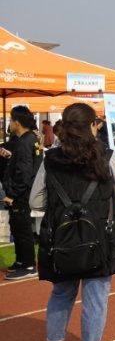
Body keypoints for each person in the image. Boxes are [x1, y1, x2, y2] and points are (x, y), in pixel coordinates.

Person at [29, 102, 115, 341]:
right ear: (91, 126)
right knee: (95, 299)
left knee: (61, 293)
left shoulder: (50, 159)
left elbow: (35, 201)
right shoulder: (106, 156)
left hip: (61, 238)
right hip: (98, 238)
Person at [2, 106, 42, 281]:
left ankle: (28, 265)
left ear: (17, 123)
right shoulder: (30, 139)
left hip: (22, 194)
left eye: (11, 121)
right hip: (24, 192)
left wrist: (13, 194)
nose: (10, 124)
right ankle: (21, 260)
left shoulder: (26, 141)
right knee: (17, 227)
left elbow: (24, 173)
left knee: (22, 228)